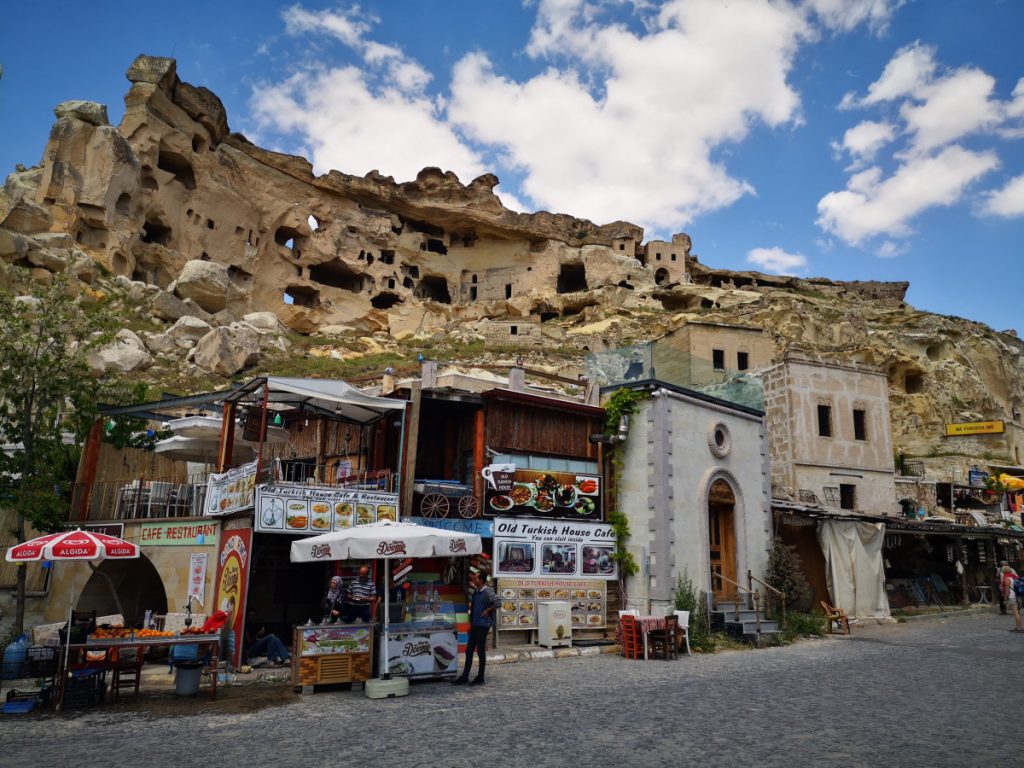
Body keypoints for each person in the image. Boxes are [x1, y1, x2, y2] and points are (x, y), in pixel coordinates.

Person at [452, 570, 500, 686]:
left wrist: (488, 610)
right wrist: (470, 624)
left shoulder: (488, 592)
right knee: (469, 650)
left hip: (483, 625)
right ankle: (465, 676)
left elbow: (498, 602)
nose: (474, 580)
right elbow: (473, 610)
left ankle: (480, 677)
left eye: (476, 578)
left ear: (482, 580)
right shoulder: (475, 592)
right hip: (475, 625)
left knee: (480, 651)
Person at [998, 564, 1023, 632]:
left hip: (1011, 597)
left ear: (1004, 571)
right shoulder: (1012, 577)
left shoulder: (1006, 579)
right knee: (1016, 613)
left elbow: (1007, 591)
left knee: (1015, 613)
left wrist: (1005, 599)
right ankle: (1018, 627)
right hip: (1015, 595)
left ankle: (1019, 628)